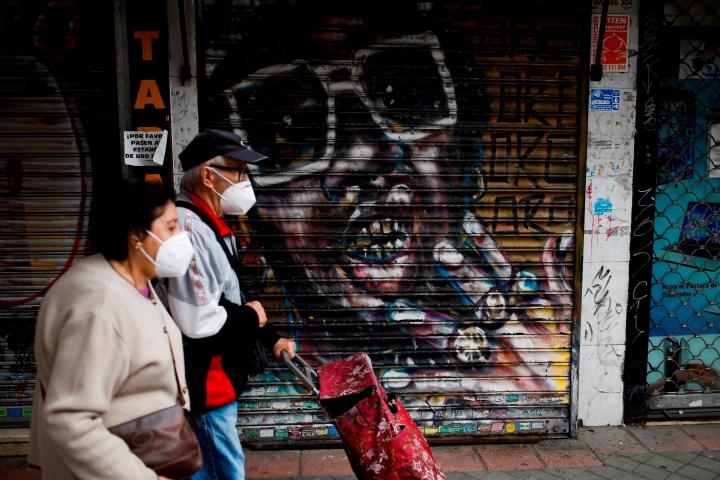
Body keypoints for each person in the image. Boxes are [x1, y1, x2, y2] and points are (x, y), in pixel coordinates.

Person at [202, 0, 575, 395]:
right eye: (291, 131)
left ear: (468, 156)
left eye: (405, 98)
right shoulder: (259, 400)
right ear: (250, 226)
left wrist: (551, 382)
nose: (365, 153)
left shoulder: (546, 355)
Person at [29, 179, 194, 479]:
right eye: (171, 228)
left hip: (148, 452)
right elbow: (71, 420)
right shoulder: (98, 305)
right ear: (136, 236)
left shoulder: (133, 278)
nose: (180, 238)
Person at [160, 129, 296, 480]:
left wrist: (271, 337)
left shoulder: (212, 223)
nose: (246, 181)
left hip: (220, 377)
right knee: (225, 471)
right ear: (208, 176)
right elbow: (198, 321)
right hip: (207, 380)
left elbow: (231, 296)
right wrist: (251, 318)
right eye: (238, 171)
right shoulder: (189, 229)